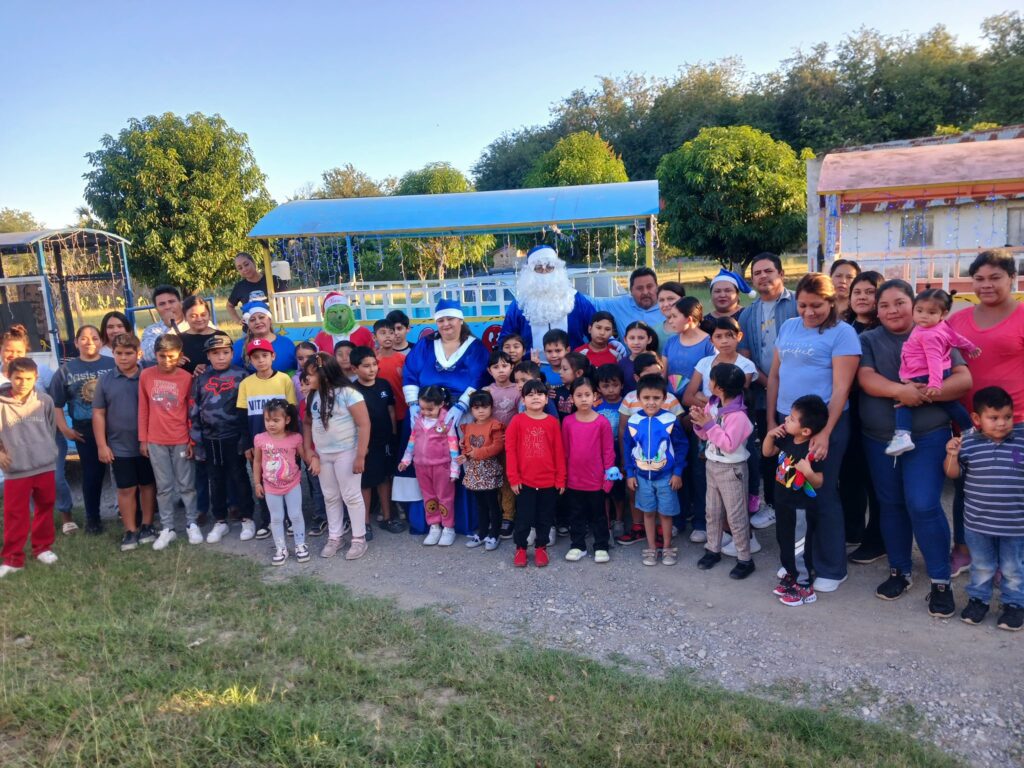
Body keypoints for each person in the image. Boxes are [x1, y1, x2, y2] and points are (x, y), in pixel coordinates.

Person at [858, 279, 972, 616]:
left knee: (922, 504)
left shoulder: (937, 331)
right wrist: (900, 391)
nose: (892, 310)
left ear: (915, 304)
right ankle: (900, 570)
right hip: (879, 439)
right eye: (884, 305)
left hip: (928, 436)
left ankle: (940, 580)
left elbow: (964, 379)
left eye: (899, 303)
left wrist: (922, 394)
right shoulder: (868, 339)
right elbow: (865, 378)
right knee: (891, 504)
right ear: (876, 311)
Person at [767, 272, 861, 593]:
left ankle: (832, 566)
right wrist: (771, 420)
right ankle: (797, 560)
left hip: (824, 426)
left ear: (831, 301)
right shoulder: (789, 326)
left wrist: (824, 432)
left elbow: (841, 388)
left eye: (817, 306)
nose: (809, 312)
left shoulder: (843, 333)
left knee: (819, 491)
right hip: (787, 422)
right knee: (791, 493)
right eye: (803, 305)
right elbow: (776, 377)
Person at [946, 249, 1024, 577]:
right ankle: (964, 550)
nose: (986, 285)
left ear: (1012, 279)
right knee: (968, 488)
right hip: (968, 422)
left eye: (995, 278)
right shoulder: (957, 320)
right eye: (979, 279)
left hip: (1016, 422)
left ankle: (1009, 561)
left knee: (1012, 491)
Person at [945, 386, 1024, 631]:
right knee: (982, 566)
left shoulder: (1020, 440)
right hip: (977, 523)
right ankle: (978, 601)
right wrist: (951, 455)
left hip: (1015, 523)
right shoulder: (967, 442)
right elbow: (952, 473)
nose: (1002, 423)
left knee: (1013, 568)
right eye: (994, 418)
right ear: (977, 419)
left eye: (1007, 417)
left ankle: (1013, 605)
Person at [739, 253, 798, 528]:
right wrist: (768, 382)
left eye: (768, 271)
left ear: (781, 274)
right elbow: (747, 356)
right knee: (770, 448)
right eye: (757, 273)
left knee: (797, 449)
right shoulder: (748, 313)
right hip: (764, 395)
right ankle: (774, 504)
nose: (763, 276)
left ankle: (797, 504)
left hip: (799, 395)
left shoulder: (798, 303)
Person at [886, 289, 979, 457]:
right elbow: (956, 338)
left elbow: (933, 359)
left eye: (931, 312)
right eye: (919, 311)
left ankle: (902, 435)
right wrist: (970, 347)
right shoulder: (941, 326)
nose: (923, 316)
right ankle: (968, 430)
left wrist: (935, 384)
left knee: (903, 401)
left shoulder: (929, 335)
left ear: (943, 314)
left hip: (923, 374)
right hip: (940, 371)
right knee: (950, 404)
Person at [0, 324, 72, 532]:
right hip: (14, 443)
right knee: (26, 484)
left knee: (56, 478)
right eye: (8, 350)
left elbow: (55, 403)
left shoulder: (42, 372)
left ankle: (66, 515)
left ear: (26, 352)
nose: (13, 355)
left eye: (19, 351)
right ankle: (40, 522)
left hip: (47, 438)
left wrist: (60, 429)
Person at [93, 333, 157, 552]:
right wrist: (102, 445)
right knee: (126, 488)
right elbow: (99, 413)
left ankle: (148, 525)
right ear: (112, 354)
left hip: (148, 443)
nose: (123, 357)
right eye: (118, 353)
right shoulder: (106, 380)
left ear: (138, 354)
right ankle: (130, 530)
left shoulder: (148, 376)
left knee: (147, 485)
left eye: (128, 353)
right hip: (119, 446)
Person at [303, 353, 370, 560]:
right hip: (323, 454)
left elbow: (364, 424)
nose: (307, 379)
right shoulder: (313, 395)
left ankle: (359, 538)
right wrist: (308, 450)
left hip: (346, 452)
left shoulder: (349, 394)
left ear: (324, 374)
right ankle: (335, 536)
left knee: (351, 495)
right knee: (330, 496)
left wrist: (360, 455)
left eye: (310, 375)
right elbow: (307, 423)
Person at [691, 363, 756, 579]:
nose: (708, 384)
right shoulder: (714, 405)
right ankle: (713, 549)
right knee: (713, 511)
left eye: (711, 380)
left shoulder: (738, 416)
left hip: (732, 469)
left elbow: (728, 444)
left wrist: (708, 425)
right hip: (712, 464)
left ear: (719, 387)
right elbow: (705, 436)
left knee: (736, 515)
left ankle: (745, 558)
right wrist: (700, 422)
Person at [763, 395, 829, 606]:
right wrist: (770, 435)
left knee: (799, 546)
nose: (786, 421)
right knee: (784, 541)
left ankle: (804, 586)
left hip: (800, 508)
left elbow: (818, 482)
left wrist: (808, 471)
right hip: (782, 503)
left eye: (791, 419)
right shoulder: (786, 439)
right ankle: (791, 574)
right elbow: (767, 452)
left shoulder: (812, 451)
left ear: (806, 431)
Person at [190, 334, 255, 543]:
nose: (220, 357)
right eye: (215, 353)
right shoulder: (201, 378)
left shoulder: (241, 375)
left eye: (225, 353)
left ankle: (247, 518)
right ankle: (220, 520)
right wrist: (198, 441)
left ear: (232, 354)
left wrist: (246, 439)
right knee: (215, 479)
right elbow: (195, 410)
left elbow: (247, 409)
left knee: (239, 477)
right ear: (208, 356)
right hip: (210, 439)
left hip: (234, 436)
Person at [49, 324, 114, 534]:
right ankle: (93, 518)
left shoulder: (112, 364)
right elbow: (56, 403)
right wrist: (65, 428)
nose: (90, 343)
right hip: (84, 429)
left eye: (94, 338)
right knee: (92, 474)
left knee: (123, 472)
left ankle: (132, 513)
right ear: (76, 343)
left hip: (115, 426)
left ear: (101, 341)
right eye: (84, 339)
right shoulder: (66, 370)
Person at [840, 271, 886, 565]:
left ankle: (877, 539)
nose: (862, 297)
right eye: (858, 291)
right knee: (849, 476)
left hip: (875, 412)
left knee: (876, 481)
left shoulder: (886, 332)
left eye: (870, 292)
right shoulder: (843, 327)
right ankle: (853, 530)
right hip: (846, 412)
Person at [0, 357, 59, 578]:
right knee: (16, 513)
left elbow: (50, 427)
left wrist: (46, 451)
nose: (23, 383)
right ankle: (13, 558)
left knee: (45, 506)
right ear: (8, 376)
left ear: (36, 378)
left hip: (44, 465)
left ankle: (42, 547)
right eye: (18, 378)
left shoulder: (44, 401)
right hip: (17, 469)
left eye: (28, 378)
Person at [139, 334, 198, 551]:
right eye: (161, 356)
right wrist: (143, 439)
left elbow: (191, 411)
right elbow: (143, 408)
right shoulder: (146, 376)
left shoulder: (185, 377)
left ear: (180, 355)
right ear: (155, 355)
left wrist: (192, 440)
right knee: (163, 487)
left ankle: (191, 523)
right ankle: (168, 528)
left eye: (171, 356)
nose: (166, 361)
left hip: (181, 438)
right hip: (156, 440)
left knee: (186, 485)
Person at [663, 297, 714, 542]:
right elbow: (664, 378)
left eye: (674, 316)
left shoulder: (708, 344)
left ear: (690, 319)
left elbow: (710, 385)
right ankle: (678, 517)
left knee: (699, 469)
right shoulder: (670, 343)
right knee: (676, 466)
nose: (669, 320)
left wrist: (694, 410)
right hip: (673, 416)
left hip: (699, 417)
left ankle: (702, 522)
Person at [238, 337, 297, 540]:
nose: (261, 360)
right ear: (250, 360)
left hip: (284, 443)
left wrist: (292, 441)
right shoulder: (246, 383)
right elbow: (242, 416)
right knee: (263, 480)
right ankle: (267, 520)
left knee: (285, 478)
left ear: (273, 356)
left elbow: (292, 412)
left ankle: (288, 518)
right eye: (255, 357)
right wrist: (246, 443)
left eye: (264, 355)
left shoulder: (284, 380)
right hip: (259, 444)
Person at [624, 375, 687, 567]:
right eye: (646, 398)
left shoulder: (670, 420)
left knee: (666, 514)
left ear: (664, 398)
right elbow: (628, 448)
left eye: (656, 398)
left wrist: (677, 472)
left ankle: (667, 547)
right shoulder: (633, 421)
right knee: (648, 513)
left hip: (666, 477)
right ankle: (651, 547)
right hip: (642, 478)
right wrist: (630, 473)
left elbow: (681, 446)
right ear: (639, 398)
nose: (651, 402)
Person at [506, 378, 566, 568]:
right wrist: (513, 479)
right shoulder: (517, 421)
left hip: (548, 481)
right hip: (525, 482)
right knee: (523, 518)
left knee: (545, 518)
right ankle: (521, 548)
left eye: (540, 394)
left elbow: (559, 452)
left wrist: (560, 479)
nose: (535, 398)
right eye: (530, 395)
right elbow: (511, 451)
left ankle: (541, 548)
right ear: (523, 400)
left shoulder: (552, 422)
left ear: (546, 399)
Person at [499, 245, 596, 353]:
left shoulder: (575, 298)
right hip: (531, 367)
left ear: (557, 269)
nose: (544, 272)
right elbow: (505, 340)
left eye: (549, 267)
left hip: (572, 366)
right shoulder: (519, 304)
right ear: (530, 272)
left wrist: (610, 341)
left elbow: (596, 327)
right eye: (538, 268)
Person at [561, 376, 615, 564]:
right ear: (572, 399)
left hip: (596, 480)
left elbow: (608, 451)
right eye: (579, 395)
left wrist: (608, 478)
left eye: (587, 395)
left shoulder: (602, 422)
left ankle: (601, 546)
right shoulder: (567, 422)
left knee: (598, 515)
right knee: (575, 514)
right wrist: (564, 477)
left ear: (595, 396)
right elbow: (565, 451)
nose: (583, 399)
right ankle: (578, 545)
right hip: (575, 480)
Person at [398, 386, 461, 546]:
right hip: (421, 466)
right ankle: (434, 526)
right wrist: (406, 460)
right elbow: (412, 441)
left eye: (430, 409)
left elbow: (453, 446)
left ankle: (448, 528)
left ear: (441, 404)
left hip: (442, 467)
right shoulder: (418, 419)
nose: (425, 412)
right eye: (422, 408)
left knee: (445, 498)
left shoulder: (447, 420)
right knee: (429, 497)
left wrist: (455, 469)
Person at [351, 346, 401, 534]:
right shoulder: (352, 391)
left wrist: (393, 436)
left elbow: (391, 411)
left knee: (385, 479)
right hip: (365, 445)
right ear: (355, 369)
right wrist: (359, 448)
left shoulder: (384, 385)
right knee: (365, 483)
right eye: (366, 366)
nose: (371, 369)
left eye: (374, 364)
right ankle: (364, 523)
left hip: (385, 442)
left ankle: (388, 518)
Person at [254, 400, 308, 566]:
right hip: (270, 487)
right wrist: (257, 483)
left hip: (292, 484)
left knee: (296, 515)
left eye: (275, 420)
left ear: (287, 420)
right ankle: (281, 548)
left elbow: (304, 457)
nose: (270, 424)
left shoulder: (295, 438)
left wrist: (314, 461)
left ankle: (300, 544)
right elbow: (257, 462)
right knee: (276, 518)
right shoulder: (260, 439)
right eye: (267, 420)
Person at [460, 390, 505, 551]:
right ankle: (483, 532)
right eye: (476, 407)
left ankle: (494, 534)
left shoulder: (495, 425)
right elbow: (466, 445)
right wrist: (464, 455)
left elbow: (497, 446)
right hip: (474, 470)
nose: (481, 410)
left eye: (484, 407)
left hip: (489, 469)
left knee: (493, 503)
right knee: (480, 504)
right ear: (471, 409)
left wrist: (477, 453)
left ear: (491, 408)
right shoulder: (469, 426)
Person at [484, 350, 520, 538]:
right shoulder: (486, 391)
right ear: (489, 371)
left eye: (505, 366)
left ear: (512, 367)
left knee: (508, 479)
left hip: (510, 444)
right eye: (496, 367)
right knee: (492, 479)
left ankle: (508, 516)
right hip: (491, 444)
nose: (501, 370)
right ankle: (495, 515)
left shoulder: (518, 390)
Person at [594, 266, 666, 347]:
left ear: (657, 287)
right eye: (639, 288)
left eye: (649, 287)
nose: (645, 292)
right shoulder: (620, 305)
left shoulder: (669, 307)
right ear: (631, 291)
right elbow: (591, 302)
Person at [595, 364, 627, 538]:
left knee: (618, 491)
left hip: (620, 452)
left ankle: (619, 520)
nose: (611, 390)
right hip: (601, 455)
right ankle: (606, 522)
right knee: (604, 490)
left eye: (615, 385)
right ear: (598, 388)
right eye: (606, 386)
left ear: (622, 385)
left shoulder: (626, 404)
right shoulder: (596, 406)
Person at [226, 251, 289, 327]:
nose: (244, 269)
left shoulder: (272, 280)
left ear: (253, 262)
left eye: (246, 264)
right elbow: (229, 306)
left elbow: (287, 299)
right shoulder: (239, 287)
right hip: (250, 331)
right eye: (240, 268)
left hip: (273, 327)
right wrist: (238, 320)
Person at [232, 301, 297, 375]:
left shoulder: (286, 344)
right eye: (252, 320)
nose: (257, 322)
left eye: (261, 317)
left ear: (270, 320)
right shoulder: (239, 346)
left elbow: (297, 369)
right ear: (248, 324)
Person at [141, 285, 189, 364]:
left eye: (171, 302)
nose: (168, 307)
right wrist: (171, 329)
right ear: (156, 309)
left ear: (180, 303)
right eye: (162, 304)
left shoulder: (195, 323)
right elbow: (147, 355)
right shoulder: (151, 331)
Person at [699, 269, 754, 335]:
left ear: (737, 294)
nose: (722, 295)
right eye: (717, 291)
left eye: (728, 290)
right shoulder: (704, 322)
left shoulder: (749, 315)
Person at [179, 295, 220, 374]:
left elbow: (229, 361)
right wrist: (174, 362)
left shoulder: (220, 337)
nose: (199, 319)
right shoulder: (178, 340)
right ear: (185, 317)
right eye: (193, 316)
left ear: (209, 315)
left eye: (203, 315)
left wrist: (209, 368)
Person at [619, 320, 659, 387]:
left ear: (649, 339)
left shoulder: (656, 361)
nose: (636, 342)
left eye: (641, 338)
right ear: (625, 340)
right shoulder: (622, 363)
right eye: (632, 338)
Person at [655, 282, 686, 347]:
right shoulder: (654, 331)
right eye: (661, 300)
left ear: (683, 299)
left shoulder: (693, 328)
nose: (665, 304)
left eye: (670, 299)